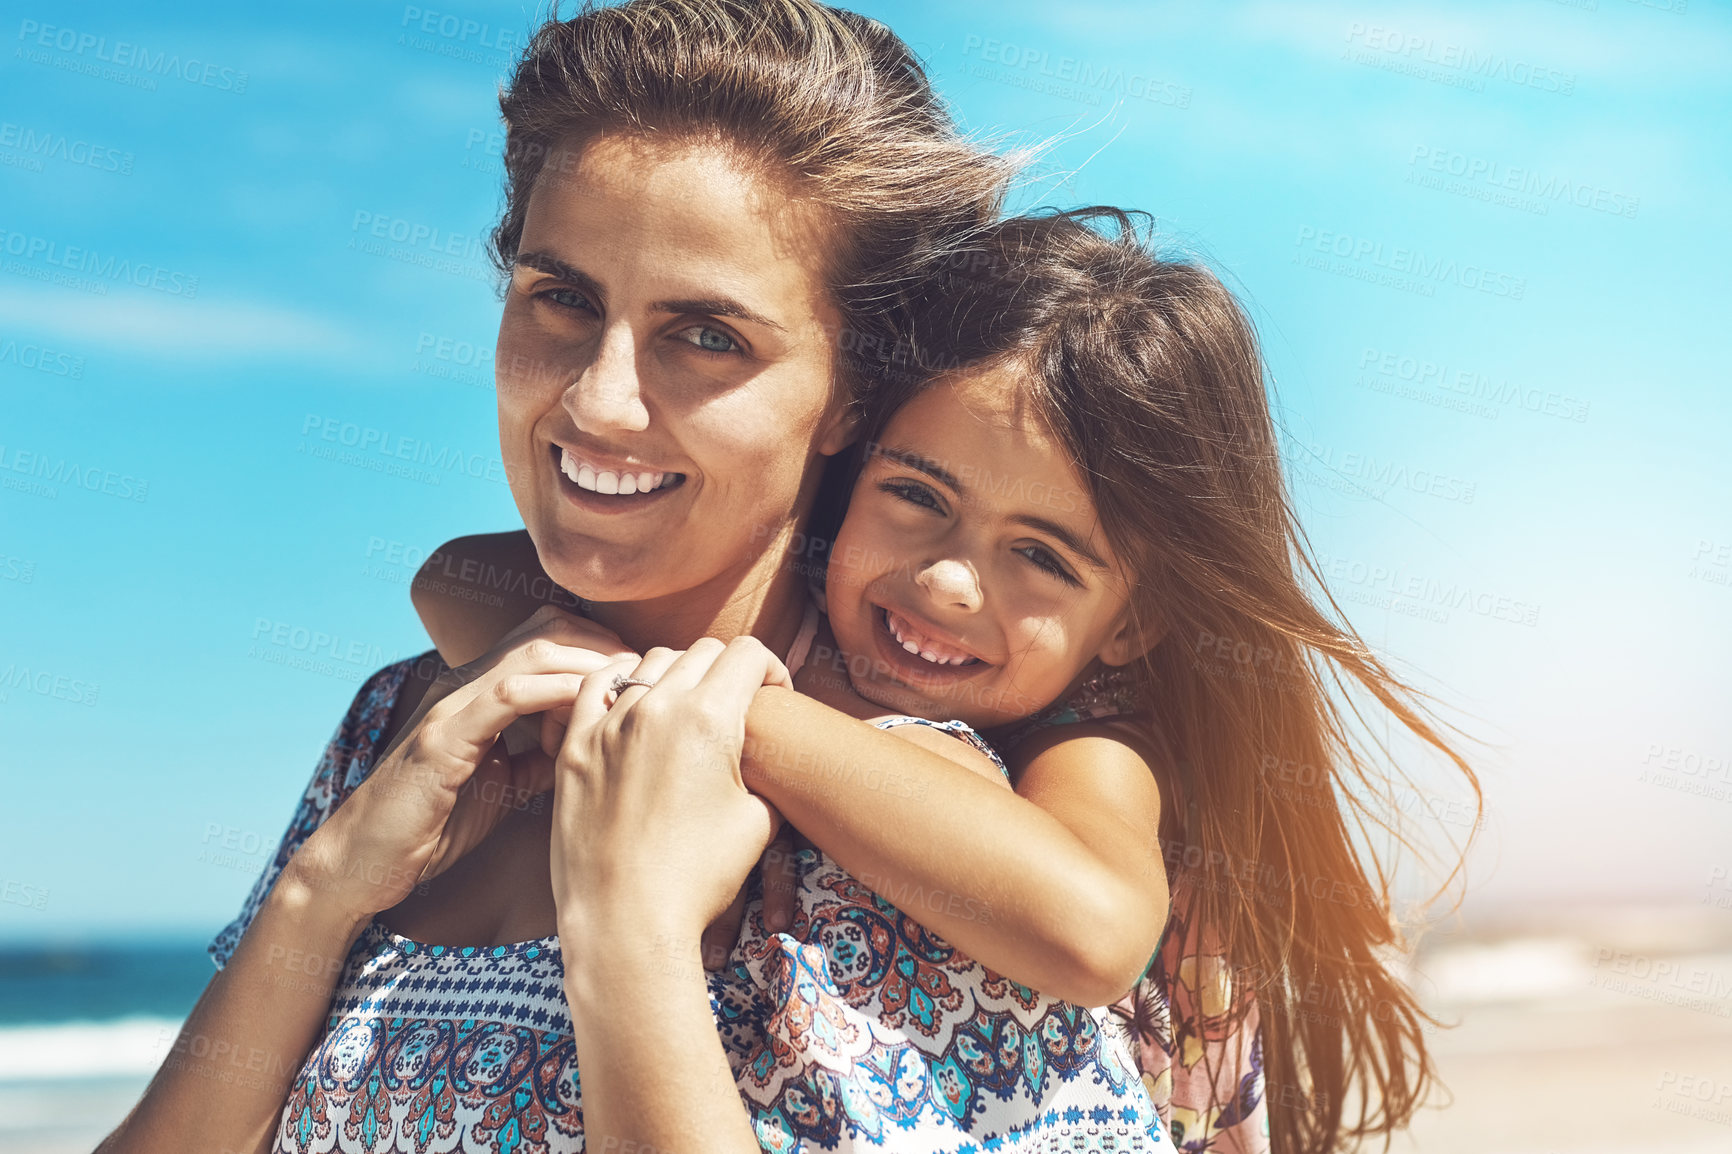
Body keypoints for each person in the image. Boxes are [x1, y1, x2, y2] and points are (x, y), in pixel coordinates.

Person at [92, 2, 1038, 1151]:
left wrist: (628, 933)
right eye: (564, 298)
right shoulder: (405, 720)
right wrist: (323, 886)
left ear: (850, 393)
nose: (596, 399)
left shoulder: (904, 835)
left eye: (707, 336)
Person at [415, 210, 1481, 1154]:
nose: (948, 580)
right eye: (917, 495)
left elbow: (1090, 927)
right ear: (852, 463)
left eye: (1043, 557)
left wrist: (732, 714)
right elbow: (454, 579)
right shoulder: (804, 611)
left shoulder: (1095, 735)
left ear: (1133, 621)